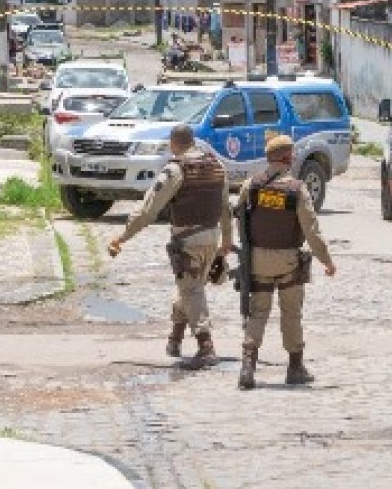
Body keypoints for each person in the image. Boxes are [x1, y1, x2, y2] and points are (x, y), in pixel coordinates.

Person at [107, 124, 232, 366]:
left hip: (188, 239)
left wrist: (122, 237)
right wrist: (227, 239)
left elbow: (148, 210)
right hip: (212, 235)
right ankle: (175, 338)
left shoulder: (175, 170)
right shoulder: (218, 166)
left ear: (174, 144)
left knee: (192, 289)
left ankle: (206, 346)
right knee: (189, 286)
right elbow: (226, 206)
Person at [235, 134, 336, 390]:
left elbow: (240, 221)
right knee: (291, 313)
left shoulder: (252, 186)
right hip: (288, 261)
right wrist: (326, 260)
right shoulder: (296, 189)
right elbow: (311, 230)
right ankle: (295, 366)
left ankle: (248, 365)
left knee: (258, 312)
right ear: (287, 158)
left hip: (257, 259)